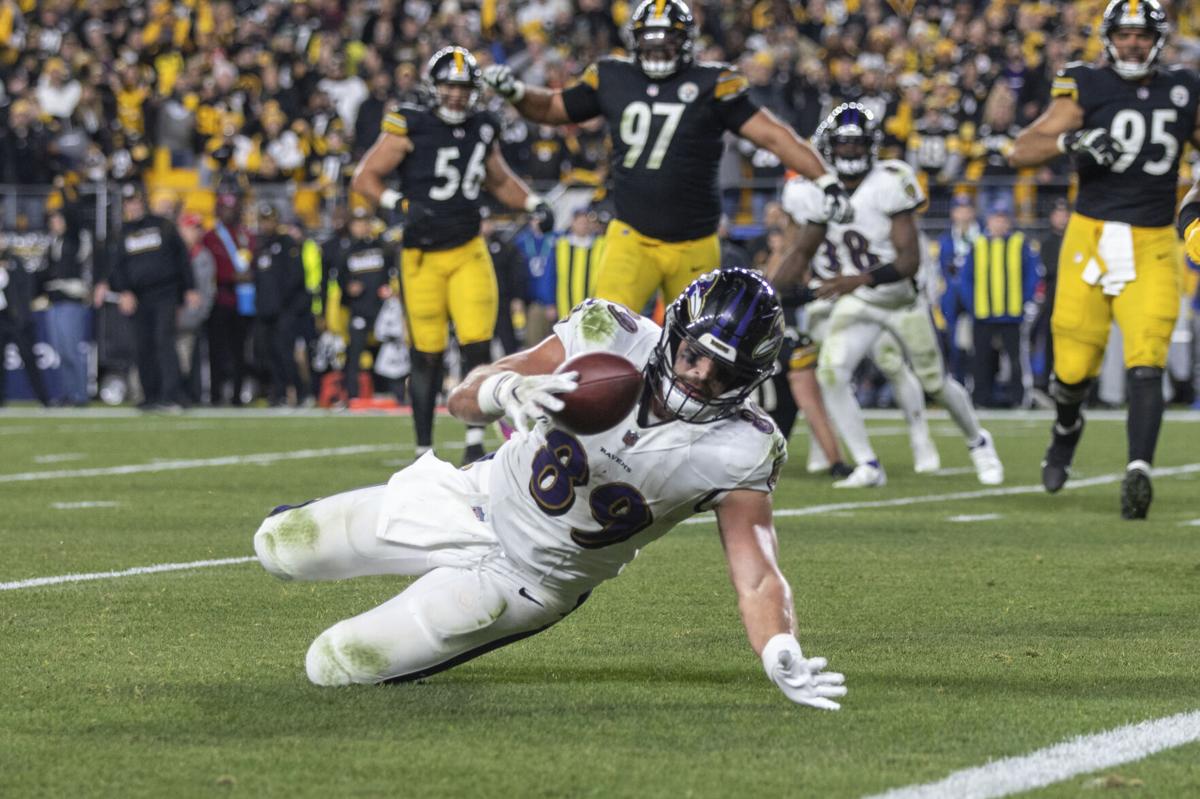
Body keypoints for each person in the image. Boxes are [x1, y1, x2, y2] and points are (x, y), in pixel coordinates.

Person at [253, 267, 846, 710]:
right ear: (674, 331)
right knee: (278, 544)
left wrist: (776, 646)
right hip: (473, 498)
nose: (699, 378)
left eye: (726, 374)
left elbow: (758, 572)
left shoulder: (745, 446)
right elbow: (464, 396)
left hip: (528, 580)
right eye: (694, 355)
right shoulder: (607, 333)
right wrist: (503, 393)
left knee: (332, 664)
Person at [481, 0, 852, 315]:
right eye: (650, 42)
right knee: (605, 330)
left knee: (693, 347)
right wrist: (517, 92)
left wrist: (825, 178)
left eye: (667, 43)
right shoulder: (612, 76)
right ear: (635, 43)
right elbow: (553, 108)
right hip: (632, 235)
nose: (658, 51)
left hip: (695, 240)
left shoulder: (713, 83)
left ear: (686, 43)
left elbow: (773, 135)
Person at [1009, 0, 1200, 519]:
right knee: (1071, 368)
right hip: (1089, 239)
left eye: (1142, 35)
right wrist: (1074, 140)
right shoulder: (1085, 85)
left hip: (1155, 240)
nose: (1134, 44)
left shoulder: (1185, 87)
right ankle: (1067, 426)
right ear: (1110, 38)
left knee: (1148, 357)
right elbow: (1021, 150)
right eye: (1125, 34)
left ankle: (1139, 469)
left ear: (1158, 39)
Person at [772, 104, 1003, 488]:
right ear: (828, 147)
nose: (850, 152)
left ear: (873, 146)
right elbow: (800, 252)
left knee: (934, 382)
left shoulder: (891, 180)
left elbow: (909, 261)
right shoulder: (811, 191)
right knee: (832, 370)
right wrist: (768, 290)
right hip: (856, 300)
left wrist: (857, 280)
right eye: (843, 145)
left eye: (857, 144)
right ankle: (867, 464)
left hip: (899, 299)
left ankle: (978, 441)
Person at [352, 46, 556, 465]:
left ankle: (473, 441)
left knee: (478, 346)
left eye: (463, 87)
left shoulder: (484, 125)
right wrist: (397, 202)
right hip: (421, 255)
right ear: (433, 86)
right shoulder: (410, 122)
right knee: (425, 354)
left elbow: (498, 180)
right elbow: (365, 176)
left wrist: (534, 202)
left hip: (467, 249)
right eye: (448, 85)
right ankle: (423, 449)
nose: (456, 95)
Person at [103, 183, 199, 411]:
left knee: (164, 341)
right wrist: (123, 291)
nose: (133, 206)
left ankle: (172, 395)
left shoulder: (162, 225)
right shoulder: (122, 232)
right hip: (138, 297)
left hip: (165, 293)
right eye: (128, 203)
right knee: (142, 346)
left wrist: (190, 288)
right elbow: (116, 267)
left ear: (142, 202)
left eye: (135, 201)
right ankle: (151, 396)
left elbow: (181, 258)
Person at [961, 199, 1040, 408]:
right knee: (981, 358)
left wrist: (1023, 301)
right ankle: (979, 398)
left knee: (1016, 359)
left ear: (1008, 222)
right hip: (983, 313)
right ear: (989, 220)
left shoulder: (1020, 244)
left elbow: (1031, 277)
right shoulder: (978, 244)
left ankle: (1019, 398)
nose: (999, 223)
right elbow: (966, 279)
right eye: (996, 218)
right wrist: (973, 305)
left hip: (1012, 313)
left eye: (1003, 218)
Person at [336, 207, 397, 405]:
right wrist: (348, 288)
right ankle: (352, 395)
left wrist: (389, 289)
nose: (361, 227)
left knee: (388, 353)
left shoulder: (382, 247)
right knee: (354, 353)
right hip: (359, 310)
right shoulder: (346, 252)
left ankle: (391, 393)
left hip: (382, 312)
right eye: (357, 223)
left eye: (364, 223)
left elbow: (393, 273)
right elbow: (340, 281)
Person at [252, 204, 310, 407]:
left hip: (285, 310)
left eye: (270, 220)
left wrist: (284, 304)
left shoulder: (287, 244)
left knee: (286, 353)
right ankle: (278, 393)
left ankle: (300, 392)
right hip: (266, 311)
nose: (266, 224)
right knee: (269, 354)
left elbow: (295, 277)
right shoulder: (260, 246)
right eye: (263, 220)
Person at [202, 192, 256, 406]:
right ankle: (215, 395)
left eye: (231, 208)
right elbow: (208, 268)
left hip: (243, 301)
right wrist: (229, 276)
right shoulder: (211, 236)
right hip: (220, 300)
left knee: (240, 351)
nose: (228, 212)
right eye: (224, 208)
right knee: (217, 351)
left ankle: (237, 395)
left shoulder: (246, 235)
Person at [42, 204, 93, 406]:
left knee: (72, 351)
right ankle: (68, 393)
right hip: (54, 302)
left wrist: (63, 188)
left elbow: (74, 215)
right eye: (52, 220)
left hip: (71, 302)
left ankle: (80, 394)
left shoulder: (74, 239)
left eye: (58, 219)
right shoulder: (53, 243)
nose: (54, 223)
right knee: (61, 352)